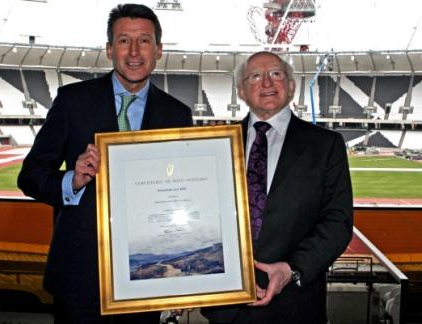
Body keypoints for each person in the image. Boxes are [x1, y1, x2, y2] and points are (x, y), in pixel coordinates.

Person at [18, 4, 192, 323]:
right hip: (79, 277)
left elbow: (181, 199)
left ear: (159, 50)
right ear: (110, 49)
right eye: (124, 41)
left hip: (146, 277)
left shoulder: (177, 115)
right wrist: (71, 180)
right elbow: (30, 176)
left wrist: (182, 276)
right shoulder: (72, 101)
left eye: (144, 41)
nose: (134, 52)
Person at [201, 51, 353, 323]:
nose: (267, 83)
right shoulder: (214, 145)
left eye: (276, 74)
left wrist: (292, 270)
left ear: (291, 86)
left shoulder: (325, 146)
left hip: (294, 306)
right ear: (241, 92)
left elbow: (337, 223)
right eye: (256, 76)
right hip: (227, 309)